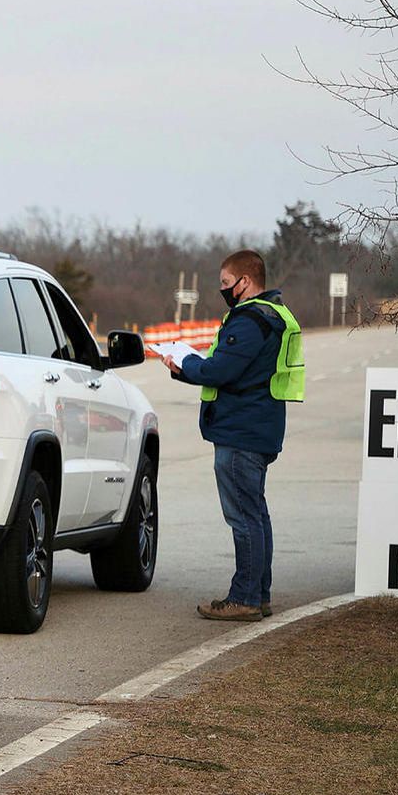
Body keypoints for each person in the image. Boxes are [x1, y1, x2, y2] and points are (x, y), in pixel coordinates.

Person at [166, 249, 303, 622]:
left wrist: (183, 362)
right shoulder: (275, 314)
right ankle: (258, 595)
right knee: (255, 515)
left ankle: (244, 597)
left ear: (245, 281)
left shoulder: (249, 321)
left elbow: (219, 371)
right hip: (258, 426)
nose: (223, 290)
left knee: (243, 518)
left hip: (241, 432)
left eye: (226, 283)